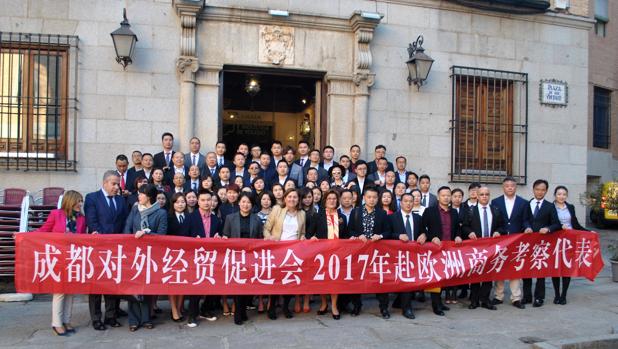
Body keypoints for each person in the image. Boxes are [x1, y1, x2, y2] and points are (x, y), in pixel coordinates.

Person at [36, 190, 86, 336]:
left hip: (73, 257)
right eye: (78, 200)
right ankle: (56, 323)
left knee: (70, 291)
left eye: (81, 200)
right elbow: (43, 230)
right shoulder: (56, 214)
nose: (80, 203)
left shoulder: (82, 218)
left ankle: (66, 320)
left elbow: (83, 238)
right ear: (70, 201)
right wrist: (24, 236)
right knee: (59, 291)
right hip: (58, 256)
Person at [84, 170, 128, 331]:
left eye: (118, 184)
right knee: (96, 285)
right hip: (98, 248)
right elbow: (92, 221)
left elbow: (124, 221)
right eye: (114, 184)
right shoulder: (92, 198)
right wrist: (101, 238)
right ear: (105, 183)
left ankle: (110, 316)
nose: (117, 187)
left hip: (116, 248)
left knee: (112, 282)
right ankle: (96, 318)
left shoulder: (121, 200)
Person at [123, 184, 167, 332]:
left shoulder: (161, 213)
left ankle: (146, 318)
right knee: (133, 287)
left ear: (148, 196)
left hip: (151, 255)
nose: (138, 197)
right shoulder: (135, 209)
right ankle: (133, 320)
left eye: (141, 194)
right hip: (134, 254)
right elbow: (127, 228)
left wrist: (147, 234)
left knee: (147, 287)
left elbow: (162, 235)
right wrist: (130, 240)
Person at [263, 188, 306, 319]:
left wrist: (303, 237)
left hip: (293, 253)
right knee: (276, 280)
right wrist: (269, 237)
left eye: (295, 197)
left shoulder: (302, 213)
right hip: (278, 251)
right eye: (289, 197)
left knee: (289, 281)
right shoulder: (277, 209)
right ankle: (271, 308)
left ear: (298, 200)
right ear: (285, 198)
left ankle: (286, 307)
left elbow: (302, 232)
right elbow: (266, 228)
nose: (292, 199)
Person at [348, 186, 391, 318]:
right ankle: (357, 305)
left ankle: (383, 307)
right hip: (359, 253)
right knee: (357, 278)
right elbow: (350, 231)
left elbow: (388, 231)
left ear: (378, 199)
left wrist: (380, 236)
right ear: (364, 198)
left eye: (374, 197)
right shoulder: (356, 212)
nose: (372, 200)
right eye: (369, 197)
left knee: (380, 280)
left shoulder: (382, 214)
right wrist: (357, 235)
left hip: (376, 252)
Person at [222, 192, 264, 325]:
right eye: (243, 202)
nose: (246, 205)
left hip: (251, 257)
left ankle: (243, 311)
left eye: (249, 202)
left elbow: (259, 238)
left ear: (252, 205)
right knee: (237, 286)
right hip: (235, 257)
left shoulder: (256, 219)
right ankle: (238, 314)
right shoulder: (230, 218)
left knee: (247, 285)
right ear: (239, 203)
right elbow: (226, 236)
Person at [462, 186, 506, 310]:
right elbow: (464, 226)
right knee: (476, 274)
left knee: (488, 275)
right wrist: (469, 232)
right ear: (477, 196)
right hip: (476, 249)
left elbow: (502, 226)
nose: (484, 196)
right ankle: (474, 300)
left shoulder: (495, 210)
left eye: (487, 194)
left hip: (491, 248)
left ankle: (485, 300)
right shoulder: (471, 211)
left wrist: (498, 231)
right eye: (482, 194)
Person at [307, 189, 348, 320]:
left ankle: (334, 306)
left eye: (334, 199)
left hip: (337, 255)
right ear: (325, 201)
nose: (332, 201)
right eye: (329, 199)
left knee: (335, 280)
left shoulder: (341, 217)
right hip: (321, 254)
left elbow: (346, 236)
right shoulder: (317, 216)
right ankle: (324, 303)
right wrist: (312, 238)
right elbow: (309, 234)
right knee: (322, 281)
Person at [490, 176, 530, 309]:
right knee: (499, 267)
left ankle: (516, 298)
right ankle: (498, 296)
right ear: (503, 187)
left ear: (515, 187)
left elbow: (525, 220)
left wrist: (528, 227)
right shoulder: (495, 202)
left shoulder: (523, 203)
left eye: (512, 186)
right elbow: (494, 221)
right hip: (500, 240)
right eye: (507, 186)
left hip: (516, 240)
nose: (510, 188)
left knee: (515, 269)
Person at [421, 186, 459, 316]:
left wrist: (458, 236)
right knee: (436, 278)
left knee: (444, 277)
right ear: (438, 197)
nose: (446, 197)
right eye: (443, 195)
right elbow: (422, 228)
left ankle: (440, 302)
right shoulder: (429, 211)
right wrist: (432, 237)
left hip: (449, 250)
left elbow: (457, 229)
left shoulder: (454, 212)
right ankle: (436, 305)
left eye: (448, 195)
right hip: (435, 249)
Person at [523, 179, 561, 308]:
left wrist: (548, 229)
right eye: (537, 189)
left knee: (540, 271)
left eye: (542, 190)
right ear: (533, 190)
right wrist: (527, 226)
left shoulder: (550, 206)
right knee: (526, 270)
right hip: (528, 242)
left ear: (546, 191)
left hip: (542, 244)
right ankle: (527, 296)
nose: (540, 192)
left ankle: (539, 298)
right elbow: (525, 220)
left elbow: (557, 224)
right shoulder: (527, 204)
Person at [187, 190, 221, 327]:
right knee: (196, 287)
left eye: (209, 200)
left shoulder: (216, 219)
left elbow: (221, 234)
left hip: (212, 257)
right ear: (198, 202)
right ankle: (192, 315)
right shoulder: (190, 217)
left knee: (213, 284)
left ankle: (205, 310)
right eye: (203, 200)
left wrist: (219, 238)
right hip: (195, 257)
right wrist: (192, 240)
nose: (207, 203)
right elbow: (183, 236)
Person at [390, 193, 425, 319]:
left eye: (411, 201)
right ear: (401, 202)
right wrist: (398, 236)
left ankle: (403, 304)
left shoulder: (418, 218)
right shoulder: (393, 217)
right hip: (397, 255)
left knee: (410, 281)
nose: (408, 203)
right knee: (405, 281)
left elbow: (423, 231)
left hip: (414, 256)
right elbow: (388, 234)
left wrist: (424, 235)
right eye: (406, 201)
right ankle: (406, 307)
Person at [552, 185, 588, 305]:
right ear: (555, 195)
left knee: (567, 268)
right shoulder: (550, 207)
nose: (561, 196)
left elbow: (576, 224)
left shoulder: (570, 207)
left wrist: (588, 232)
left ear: (566, 196)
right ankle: (556, 294)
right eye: (559, 194)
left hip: (569, 241)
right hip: (555, 241)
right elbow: (549, 223)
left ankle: (563, 295)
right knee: (556, 268)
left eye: (564, 194)